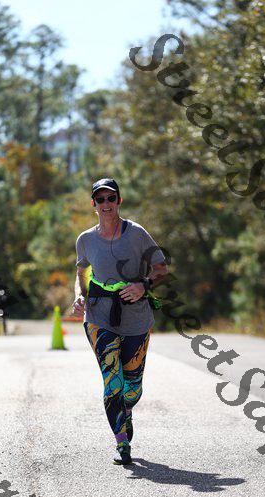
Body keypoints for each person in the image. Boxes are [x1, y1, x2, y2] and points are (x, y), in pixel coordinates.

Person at [71, 178, 168, 465]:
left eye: (110, 198)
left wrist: (143, 285)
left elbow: (161, 268)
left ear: (119, 201)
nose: (106, 204)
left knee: (132, 387)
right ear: (93, 204)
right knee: (112, 380)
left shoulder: (137, 234)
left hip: (136, 317)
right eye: (100, 199)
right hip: (98, 316)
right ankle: (121, 443)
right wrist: (79, 295)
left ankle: (126, 410)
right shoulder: (85, 239)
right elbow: (81, 272)